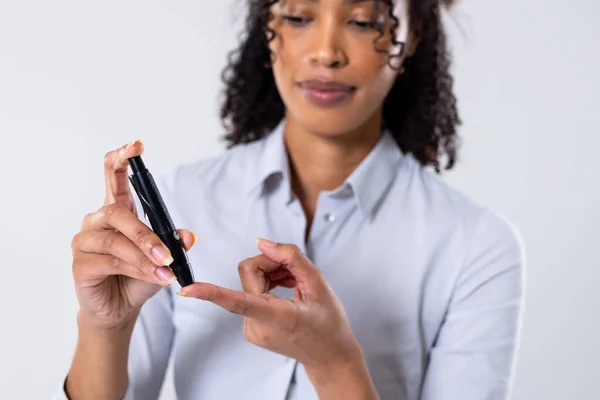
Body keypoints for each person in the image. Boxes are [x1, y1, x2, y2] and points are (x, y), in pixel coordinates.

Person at [56, 0, 525, 399]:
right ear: (268, 25)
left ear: (414, 34)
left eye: (362, 21)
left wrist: (336, 363)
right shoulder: (183, 199)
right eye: (299, 16)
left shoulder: (476, 246)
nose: (325, 52)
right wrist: (106, 327)